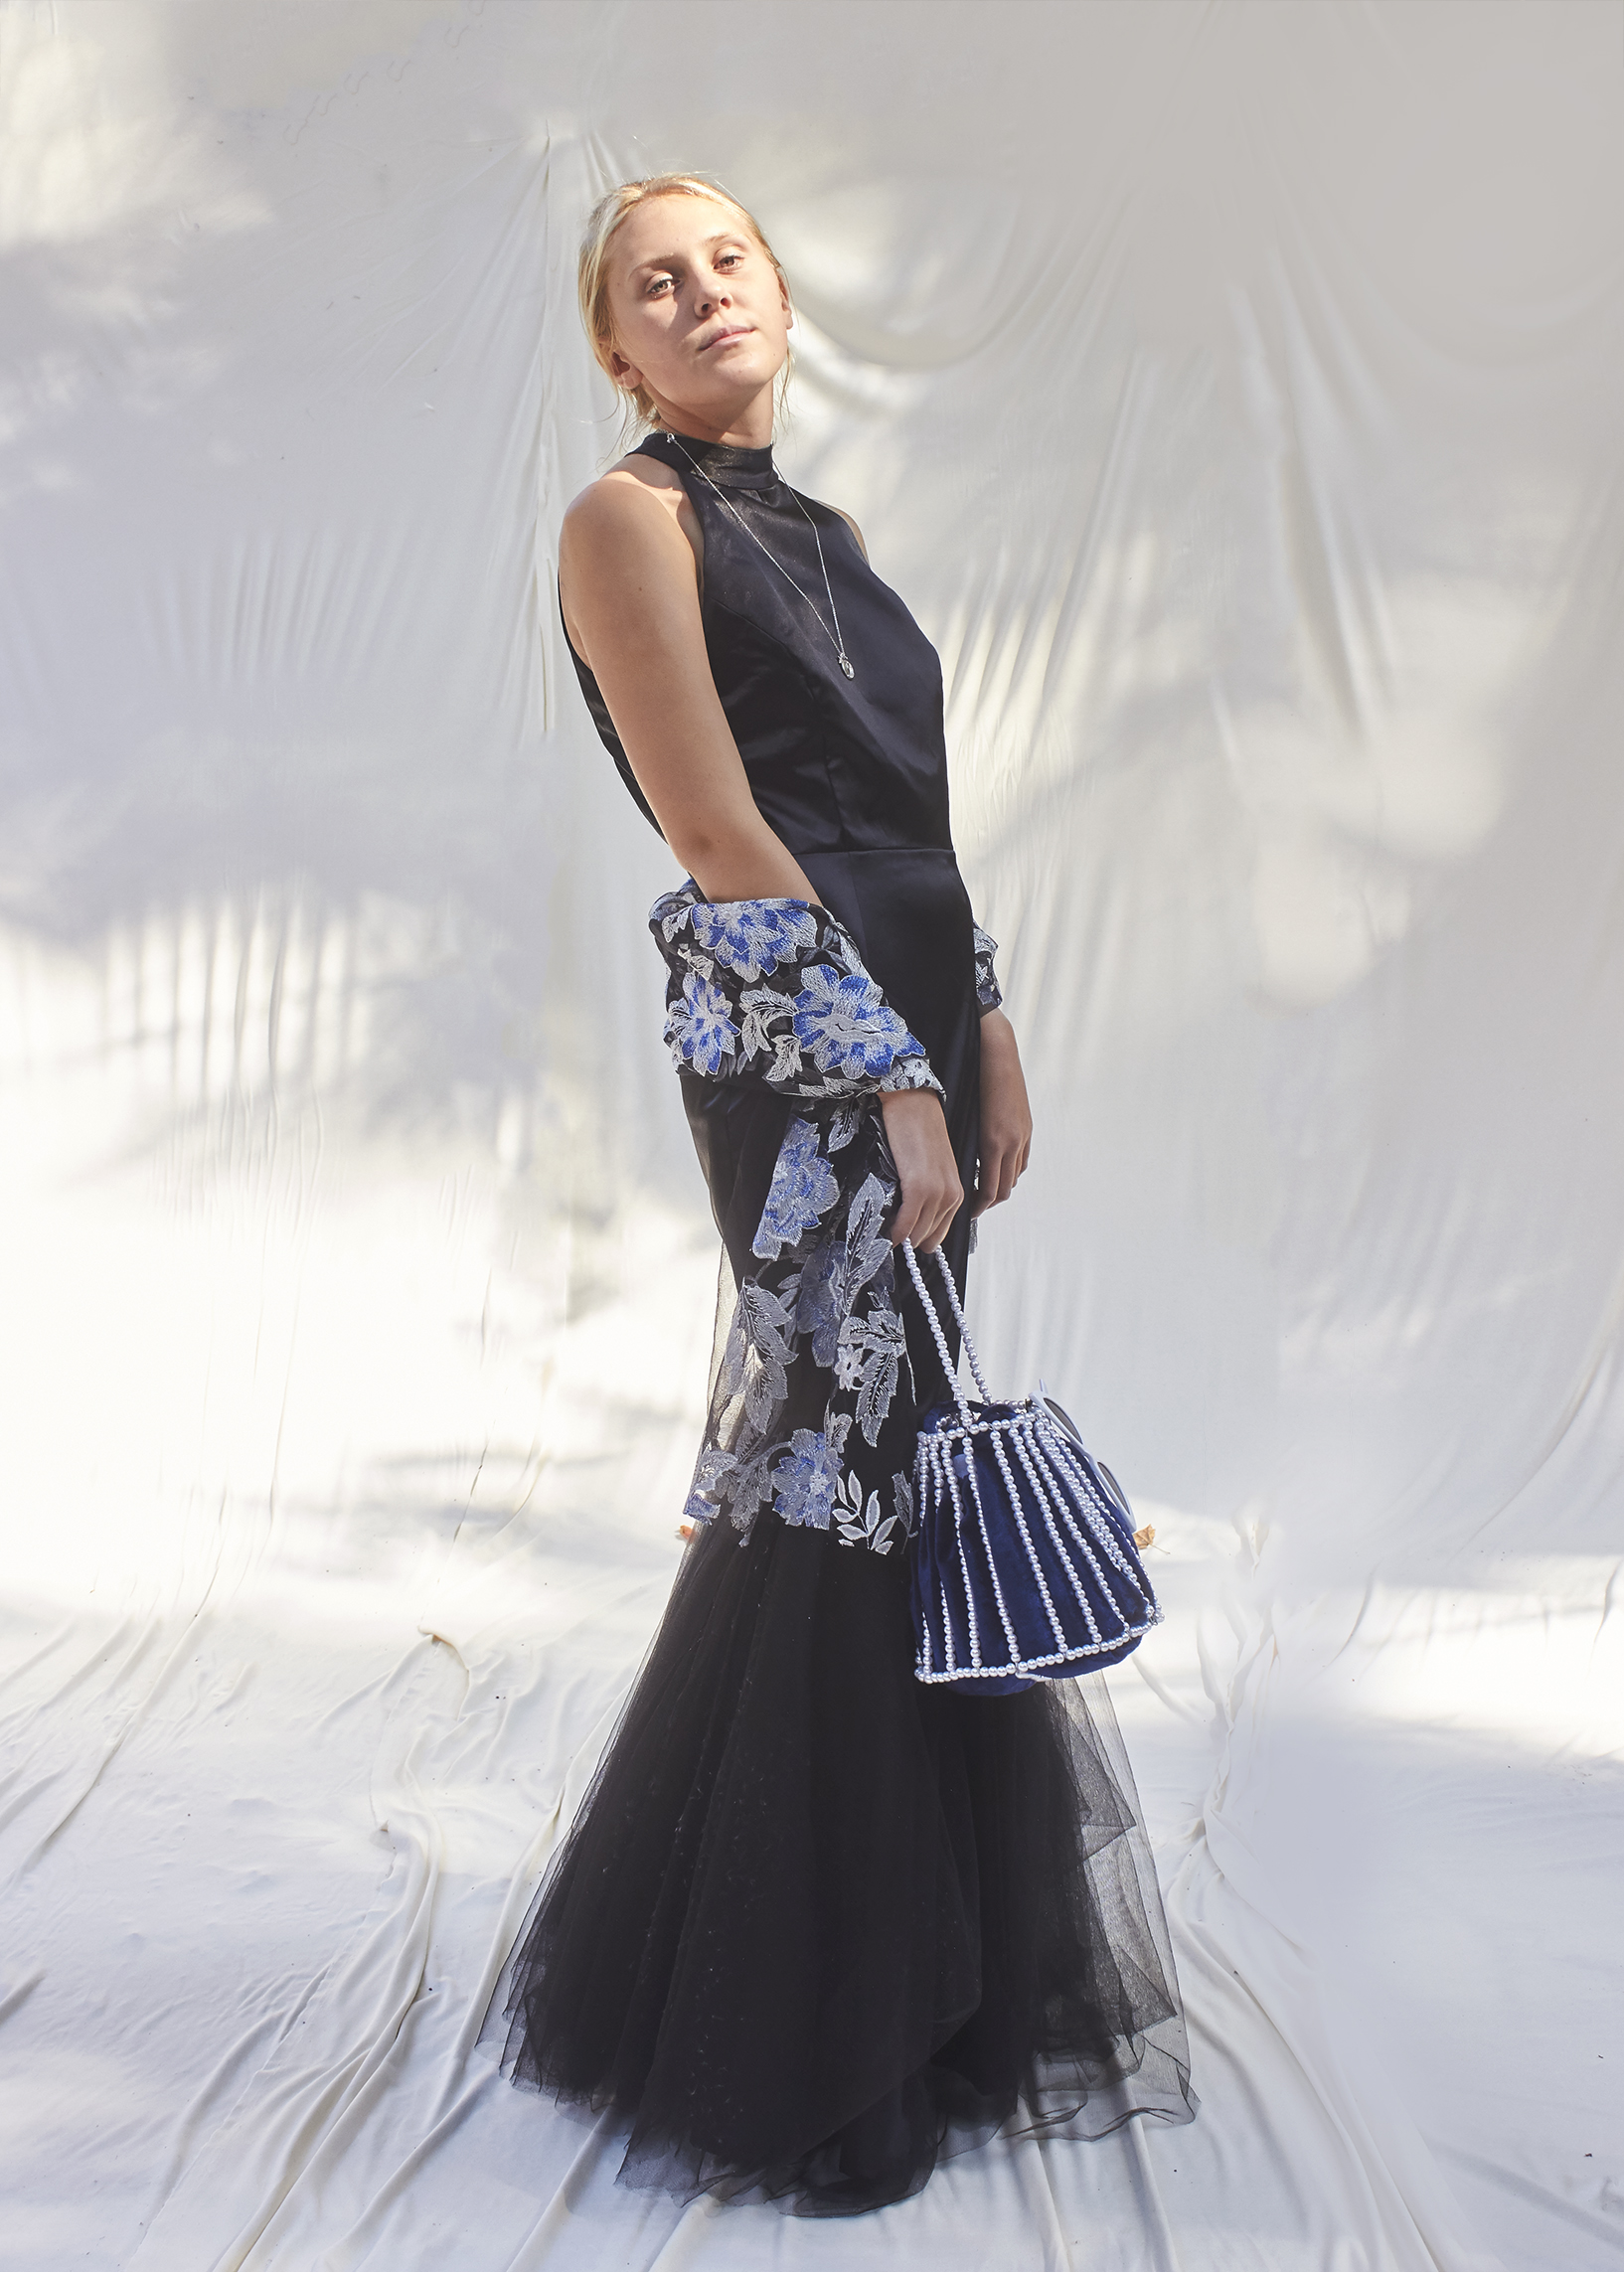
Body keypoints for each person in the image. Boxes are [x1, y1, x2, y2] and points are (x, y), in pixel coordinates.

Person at [487, 172, 1194, 2216]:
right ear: (615, 348)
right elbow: (716, 826)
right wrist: (882, 1071)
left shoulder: (830, 535)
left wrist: (983, 1029)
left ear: (780, 295)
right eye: (652, 285)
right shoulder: (628, 520)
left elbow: (912, 817)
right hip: (794, 1044)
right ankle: (779, 2025)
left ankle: (928, 1978)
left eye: (726, 261)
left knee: (892, 1453)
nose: (700, 296)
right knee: (835, 1465)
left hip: (903, 1006)